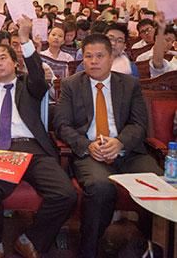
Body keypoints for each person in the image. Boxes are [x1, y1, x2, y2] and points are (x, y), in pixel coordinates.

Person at [0, 17, 76, 258]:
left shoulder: (30, 85)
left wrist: (25, 40)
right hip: (1, 153)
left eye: (2, 58)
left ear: (16, 63)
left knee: (66, 194)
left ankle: (30, 239)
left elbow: (38, 74)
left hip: (34, 151)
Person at [55, 33, 162, 258]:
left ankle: (149, 245)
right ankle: (88, 249)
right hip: (90, 153)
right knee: (101, 187)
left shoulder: (130, 84)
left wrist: (120, 141)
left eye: (100, 56)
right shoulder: (71, 85)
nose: (94, 61)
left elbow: (139, 124)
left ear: (111, 57)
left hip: (128, 151)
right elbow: (62, 125)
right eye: (88, 56)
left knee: (156, 181)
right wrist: (87, 145)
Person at [149, 12, 177, 77]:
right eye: (167, 40)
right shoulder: (145, 57)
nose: (170, 44)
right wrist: (161, 29)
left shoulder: (173, 54)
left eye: (172, 42)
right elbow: (158, 63)